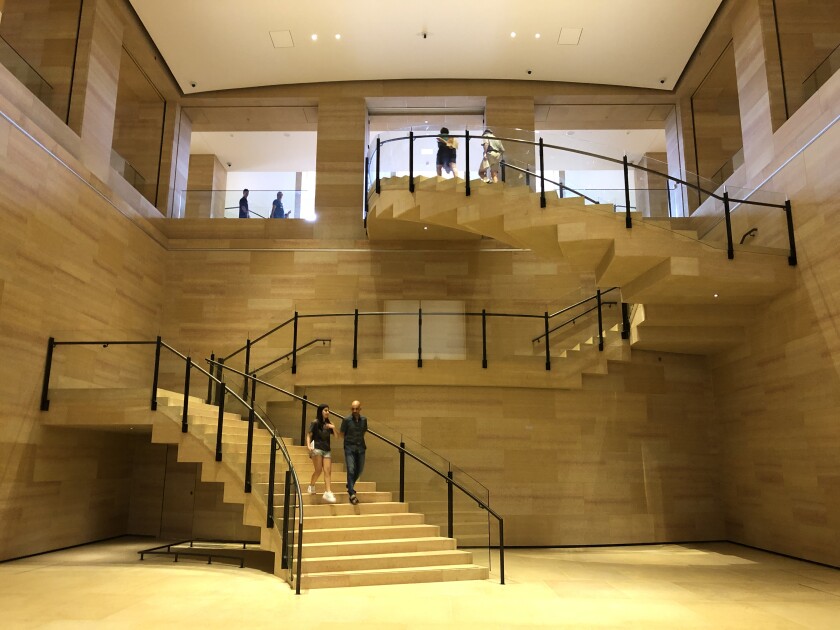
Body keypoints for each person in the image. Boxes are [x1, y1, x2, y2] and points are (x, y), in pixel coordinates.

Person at [339, 400, 368, 505]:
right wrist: (349, 441)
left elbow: (364, 431)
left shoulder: (364, 420)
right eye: (353, 409)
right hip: (349, 447)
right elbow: (342, 433)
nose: (354, 410)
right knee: (351, 469)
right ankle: (351, 493)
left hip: (361, 448)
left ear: (360, 409)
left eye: (356, 409)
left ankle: (349, 484)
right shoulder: (346, 420)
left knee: (359, 470)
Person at [307, 404, 337, 503]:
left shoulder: (329, 424)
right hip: (317, 448)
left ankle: (328, 491)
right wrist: (308, 446)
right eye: (325, 410)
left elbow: (336, 436)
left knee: (327, 471)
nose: (327, 412)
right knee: (318, 470)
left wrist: (333, 427)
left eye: (328, 410)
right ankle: (311, 485)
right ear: (321, 411)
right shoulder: (315, 423)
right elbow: (309, 434)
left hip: (327, 449)